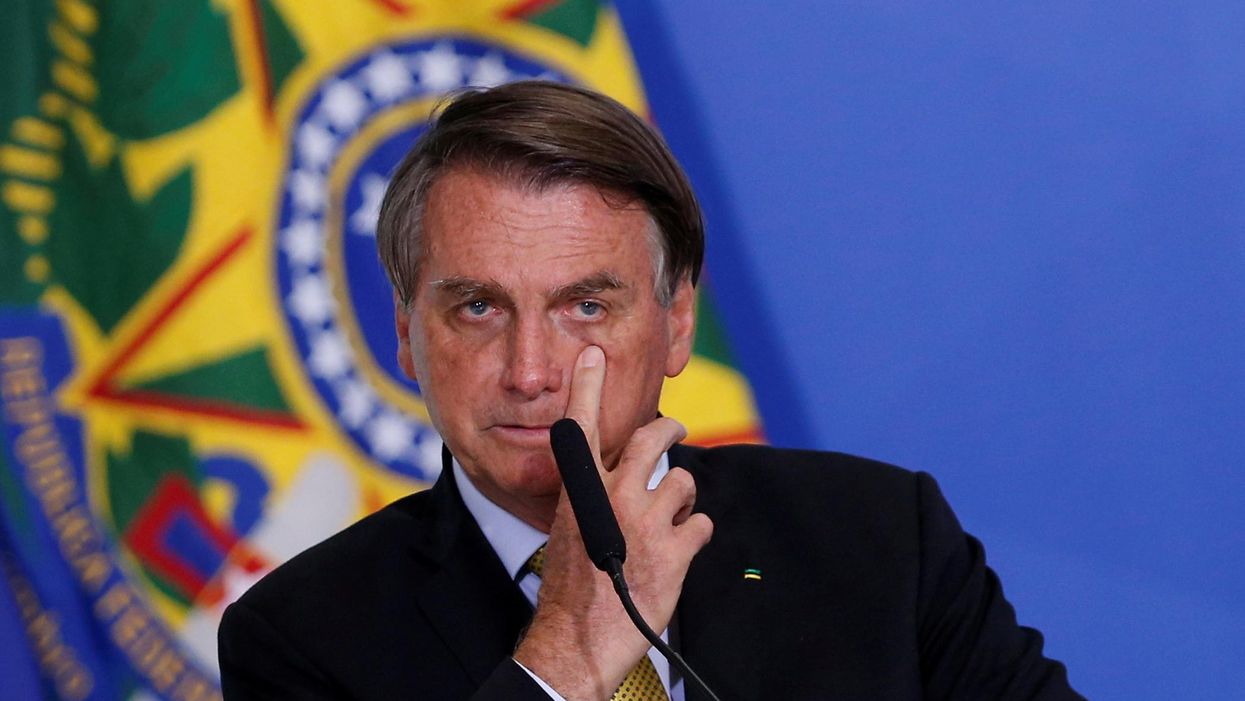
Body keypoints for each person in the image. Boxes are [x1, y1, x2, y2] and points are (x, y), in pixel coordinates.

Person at [218, 80, 1082, 700]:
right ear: (406, 333)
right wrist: (559, 659)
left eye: (584, 305)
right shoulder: (301, 637)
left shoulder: (881, 540)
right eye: (477, 306)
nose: (530, 370)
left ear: (676, 322)